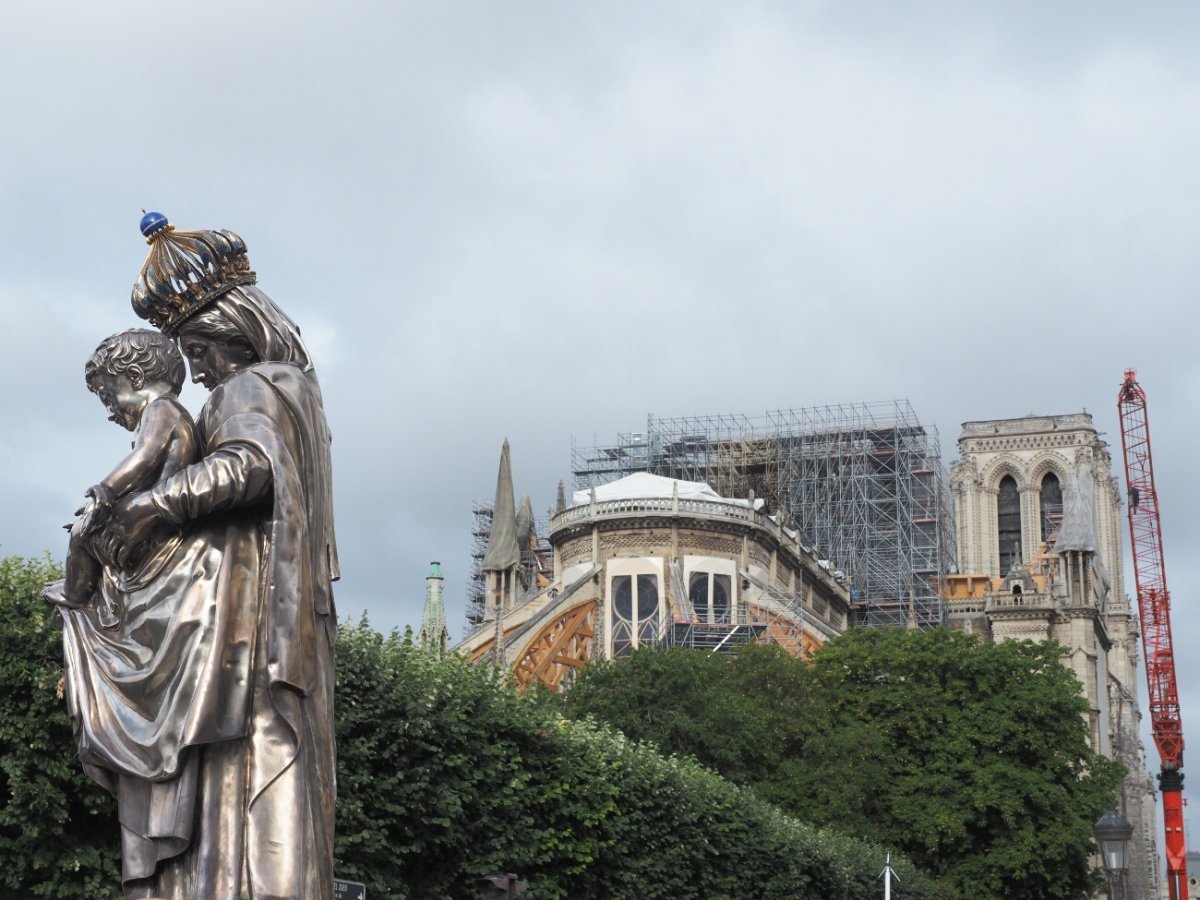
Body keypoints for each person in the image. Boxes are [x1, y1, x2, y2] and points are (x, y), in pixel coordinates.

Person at [58, 214, 338, 900]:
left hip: (253, 629)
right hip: (277, 615)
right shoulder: (292, 387)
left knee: (240, 781)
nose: (198, 370)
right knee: (243, 788)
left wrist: (156, 506)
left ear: (233, 331)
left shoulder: (250, 386)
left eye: (199, 349)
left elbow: (249, 467)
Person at [43, 329, 197, 618]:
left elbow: (143, 458)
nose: (109, 411)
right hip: (160, 518)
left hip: (153, 526)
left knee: (81, 533)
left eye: (108, 396)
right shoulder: (170, 413)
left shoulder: (161, 409)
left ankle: (75, 593)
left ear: (137, 378)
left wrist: (106, 490)